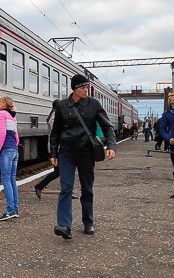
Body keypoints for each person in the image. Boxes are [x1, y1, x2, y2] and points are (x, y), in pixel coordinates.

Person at [50, 74, 116, 239]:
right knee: (66, 188)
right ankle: (64, 225)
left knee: (87, 189)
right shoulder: (62, 106)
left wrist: (111, 146)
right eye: (82, 87)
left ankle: (88, 222)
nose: (85, 89)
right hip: (66, 153)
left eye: (86, 86)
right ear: (74, 88)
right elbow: (55, 132)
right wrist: (53, 153)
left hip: (86, 153)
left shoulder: (93, 104)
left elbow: (107, 127)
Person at [35, 100, 79, 200]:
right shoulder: (55, 117)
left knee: (63, 171)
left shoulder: (55, 115)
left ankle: (67, 191)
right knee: (60, 171)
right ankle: (40, 185)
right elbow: (58, 134)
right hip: (58, 148)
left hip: (59, 147)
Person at [0, 96, 20, 220]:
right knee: (12, 180)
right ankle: (15, 209)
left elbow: (2, 134)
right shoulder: (13, 116)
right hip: (14, 151)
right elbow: (17, 137)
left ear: (4, 104)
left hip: (7, 151)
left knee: (6, 179)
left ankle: (10, 210)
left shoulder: (1, 114)